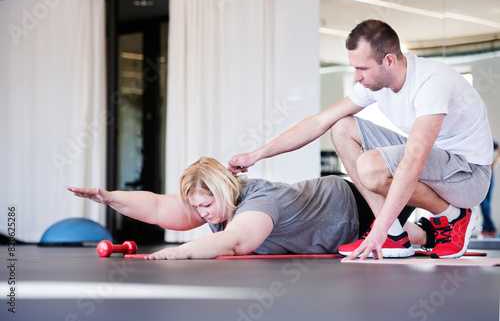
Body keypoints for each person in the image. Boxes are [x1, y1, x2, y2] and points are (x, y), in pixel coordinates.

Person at [228, 19, 493, 259]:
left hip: (468, 177)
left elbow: (414, 160)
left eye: (362, 68)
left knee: (371, 166)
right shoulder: (378, 84)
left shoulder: (430, 83)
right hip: (439, 164)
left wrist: (375, 229)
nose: (357, 76)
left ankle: (454, 216)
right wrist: (256, 154)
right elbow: (319, 121)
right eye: (354, 68)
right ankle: (394, 235)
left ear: (389, 61)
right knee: (341, 127)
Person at [67, 157, 418, 259]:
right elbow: (161, 207)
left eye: (205, 204)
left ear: (223, 191)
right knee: (403, 239)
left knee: (405, 222)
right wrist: (108, 197)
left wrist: (173, 254)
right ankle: (430, 229)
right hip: (341, 230)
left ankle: (446, 216)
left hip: (357, 204)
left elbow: (236, 243)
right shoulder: (217, 205)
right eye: (196, 206)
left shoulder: (259, 202)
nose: (202, 213)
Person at [480, 140, 499, 238]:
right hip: (478, 174)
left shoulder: (487, 140)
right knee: (484, 205)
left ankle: (490, 229)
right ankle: (485, 229)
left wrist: (495, 162)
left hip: (489, 174)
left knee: (486, 205)